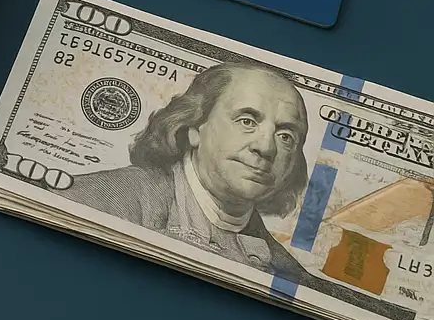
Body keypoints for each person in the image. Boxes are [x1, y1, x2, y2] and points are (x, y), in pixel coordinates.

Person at [70, 63, 310, 277]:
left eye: (285, 136)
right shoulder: (97, 199)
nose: (266, 147)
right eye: (246, 121)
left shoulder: (289, 275)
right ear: (195, 128)